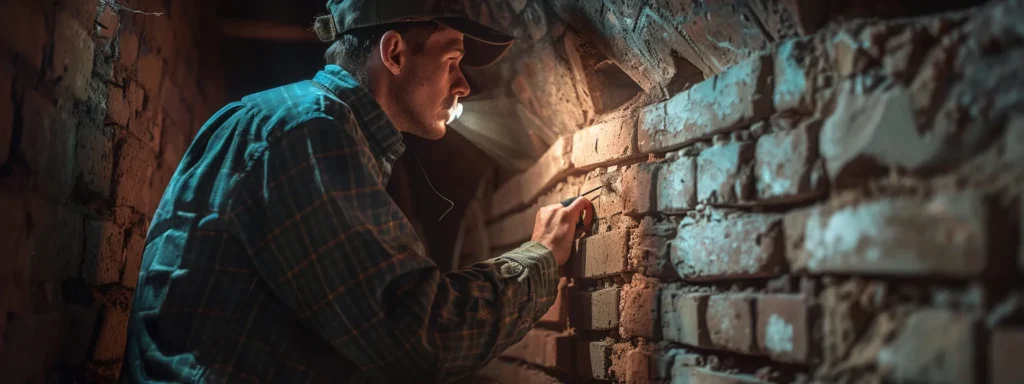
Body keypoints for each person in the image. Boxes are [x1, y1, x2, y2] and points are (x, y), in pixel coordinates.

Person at [120, 0, 594, 382]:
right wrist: (543, 256)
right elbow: (422, 333)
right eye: (452, 60)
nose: (464, 84)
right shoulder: (311, 135)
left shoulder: (287, 119)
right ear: (394, 54)